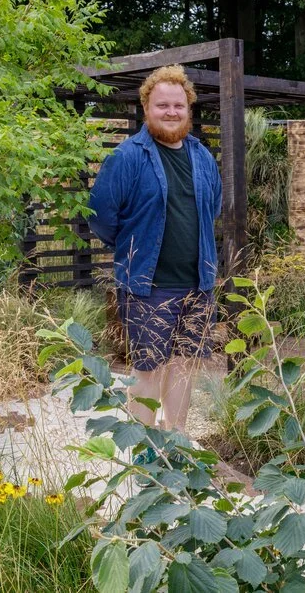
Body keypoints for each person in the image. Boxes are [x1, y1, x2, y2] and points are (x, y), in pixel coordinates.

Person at [88, 64, 221, 436]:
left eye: (178, 105)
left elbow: (213, 208)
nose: (171, 112)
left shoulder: (202, 157)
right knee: (147, 369)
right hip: (148, 285)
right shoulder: (127, 157)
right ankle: (143, 448)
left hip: (197, 283)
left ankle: (175, 439)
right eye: (163, 105)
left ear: (188, 108)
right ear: (146, 107)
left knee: (184, 365)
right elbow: (101, 216)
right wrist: (134, 246)